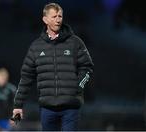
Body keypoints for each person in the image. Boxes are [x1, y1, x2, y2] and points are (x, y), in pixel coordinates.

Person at [13, 2, 94, 131]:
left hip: (70, 107)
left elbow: (88, 68)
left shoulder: (75, 42)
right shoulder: (36, 47)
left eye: (60, 16)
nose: (58, 20)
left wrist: (79, 86)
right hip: (47, 108)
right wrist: (18, 105)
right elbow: (26, 77)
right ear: (45, 19)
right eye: (54, 16)